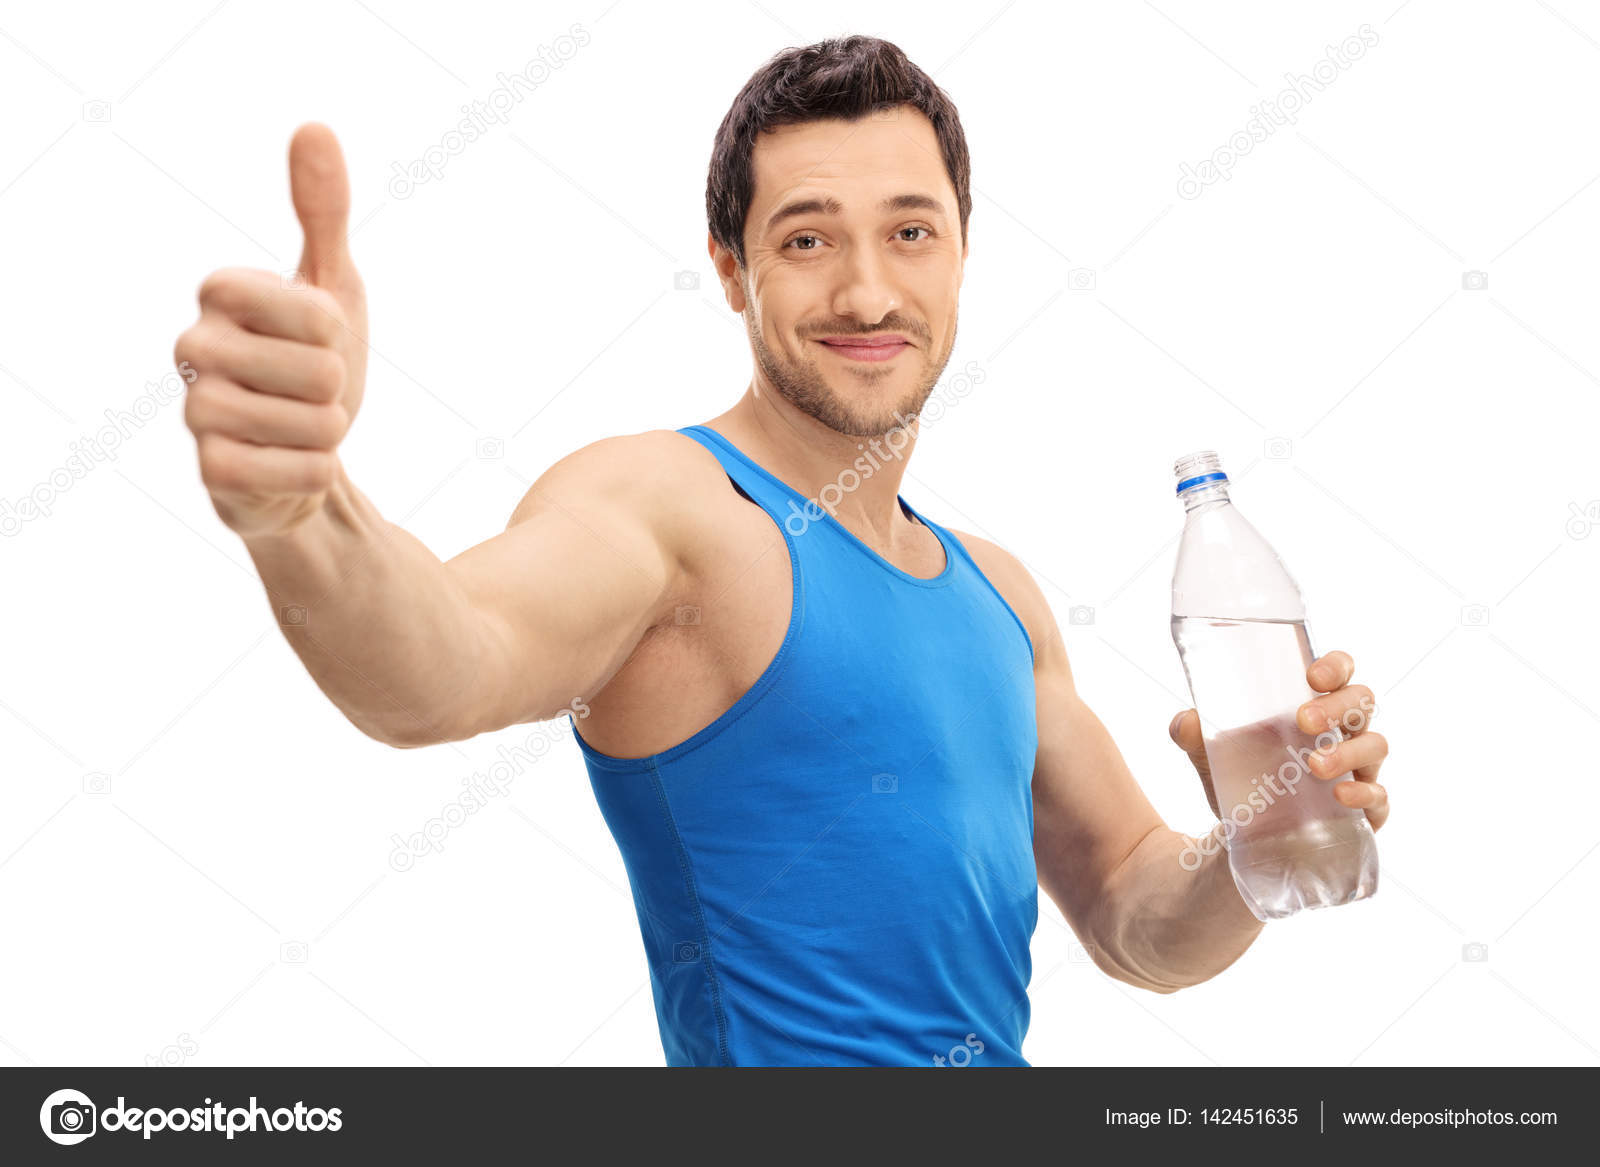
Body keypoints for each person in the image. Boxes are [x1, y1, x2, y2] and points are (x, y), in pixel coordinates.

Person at [173, 35, 1390, 1066]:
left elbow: (1135, 915)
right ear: (730, 270)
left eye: (910, 233)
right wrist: (304, 506)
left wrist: (1259, 836)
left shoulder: (997, 596)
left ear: (961, 251)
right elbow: (442, 667)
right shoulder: (672, 507)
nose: (867, 292)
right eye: (807, 240)